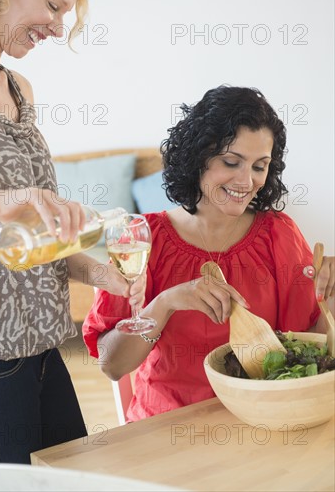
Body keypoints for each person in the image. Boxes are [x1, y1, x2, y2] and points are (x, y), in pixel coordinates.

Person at [0, 0, 144, 463]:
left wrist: (99, 275)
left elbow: (33, 234)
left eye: (65, 12)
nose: (58, 26)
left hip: (44, 340)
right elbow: (7, 204)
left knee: (72, 475)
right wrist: (7, 197)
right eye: (51, 6)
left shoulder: (17, 87)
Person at [83, 85, 335, 422]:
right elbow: (112, 365)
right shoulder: (142, 239)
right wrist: (166, 303)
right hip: (168, 425)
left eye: (259, 166)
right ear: (199, 156)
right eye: (232, 162)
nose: (246, 181)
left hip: (260, 419)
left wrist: (330, 298)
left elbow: (307, 350)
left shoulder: (279, 233)